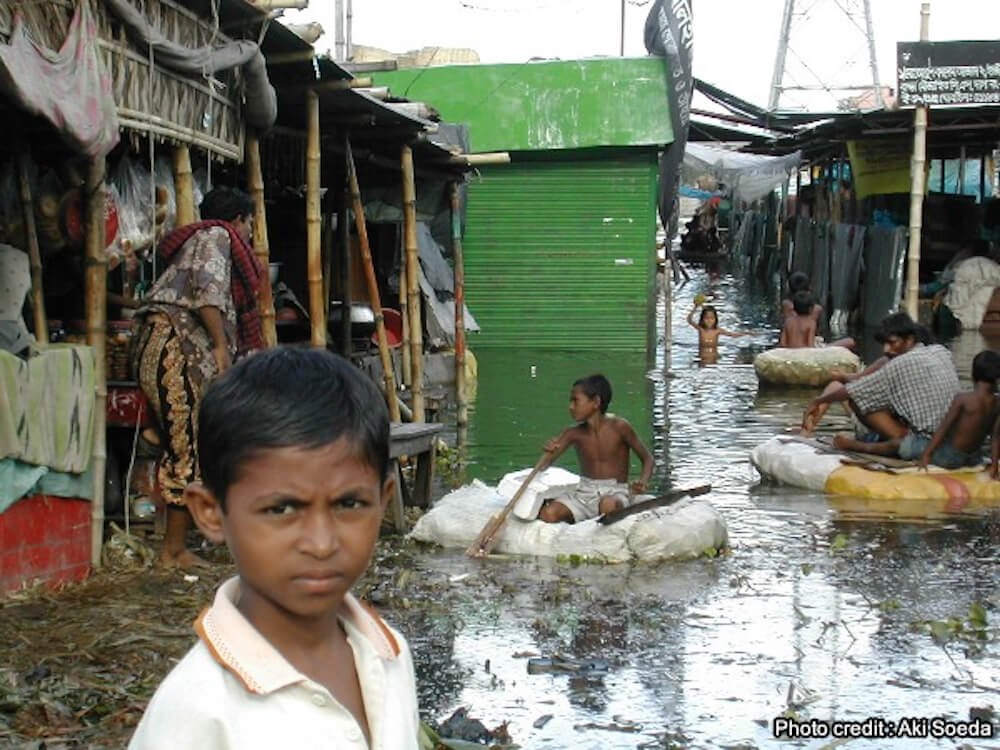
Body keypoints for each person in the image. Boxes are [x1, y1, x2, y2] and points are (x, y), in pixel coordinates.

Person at [128, 348, 419, 749]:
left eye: (349, 504)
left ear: (382, 502)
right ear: (210, 513)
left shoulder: (389, 655)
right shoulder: (196, 712)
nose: (321, 544)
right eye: (281, 509)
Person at [130, 187, 264, 568]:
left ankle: (182, 544)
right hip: (175, 346)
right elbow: (207, 292)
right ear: (238, 219)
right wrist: (220, 345)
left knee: (188, 443)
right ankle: (173, 551)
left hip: (170, 345)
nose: (251, 232)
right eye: (250, 223)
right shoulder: (218, 236)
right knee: (186, 448)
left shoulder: (201, 239)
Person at [800, 312, 959, 461]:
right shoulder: (941, 351)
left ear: (910, 340)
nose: (886, 349)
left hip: (922, 441)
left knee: (855, 398)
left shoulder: (899, 363)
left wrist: (818, 400)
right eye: (885, 343)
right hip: (950, 436)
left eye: (892, 343)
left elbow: (854, 390)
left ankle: (842, 442)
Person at [537, 374, 654, 524]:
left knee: (607, 505)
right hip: (584, 494)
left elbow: (648, 459)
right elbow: (543, 466)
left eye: (576, 401)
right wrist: (548, 452)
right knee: (548, 514)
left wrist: (642, 482)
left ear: (596, 402)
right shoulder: (573, 433)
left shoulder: (620, 427)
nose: (571, 407)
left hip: (615, 492)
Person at [918, 350, 1000, 470]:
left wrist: (926, 455)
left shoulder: (963, 399)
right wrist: (994, 466)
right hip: (974, 458)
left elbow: (943, 429)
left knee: (912, 445)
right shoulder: (998, 403)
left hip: (951, 458)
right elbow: (995, 437)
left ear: (973, 375)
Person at [688, 301, 756, 350]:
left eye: (712, 318)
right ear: (702, 319)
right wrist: (695, 307)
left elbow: (733, 335)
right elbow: (689, 320)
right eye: (706, 318)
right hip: (702, 350)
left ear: (716, 319)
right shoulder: (701, 329)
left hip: (714, 351)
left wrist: (747, 333)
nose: (709, 321)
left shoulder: (717, 330)